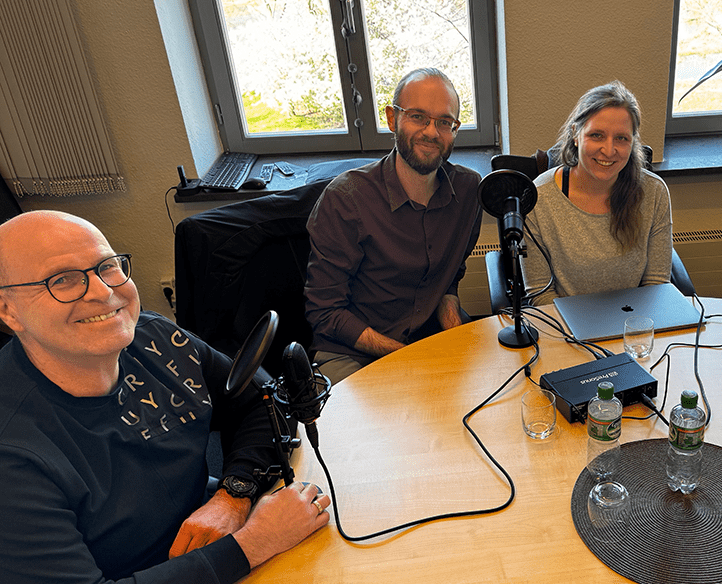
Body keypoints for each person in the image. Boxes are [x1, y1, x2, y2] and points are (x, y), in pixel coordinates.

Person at [0, 211, 329, 583]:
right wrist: (253, 544)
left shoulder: (154, 339)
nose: (103, 291)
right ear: (7, 310)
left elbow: (261, 401)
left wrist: (233, 495)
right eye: (62, 280)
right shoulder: (12, 452)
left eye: (107, 266)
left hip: (217, 534)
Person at [305, 68, 482, 382]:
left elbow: (448, 279)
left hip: (429, 338)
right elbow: (325, 312)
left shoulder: (468, 192)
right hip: (352, 352)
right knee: (361, 431)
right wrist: (409, 358)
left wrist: (453, 335)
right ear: (392, 119)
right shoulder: (346, 199)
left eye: (444, 122)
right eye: (418, 117)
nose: (431, 132)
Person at [522, 81, 673, 305]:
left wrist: (634, 332)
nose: (609, 150)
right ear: (576, 134)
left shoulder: (653, 192)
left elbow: (656, 284)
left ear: (633, 143)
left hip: (633, 324)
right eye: (597, 135)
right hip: (565, 328)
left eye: (621, 138)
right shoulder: (538, 198)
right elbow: (540, 293)